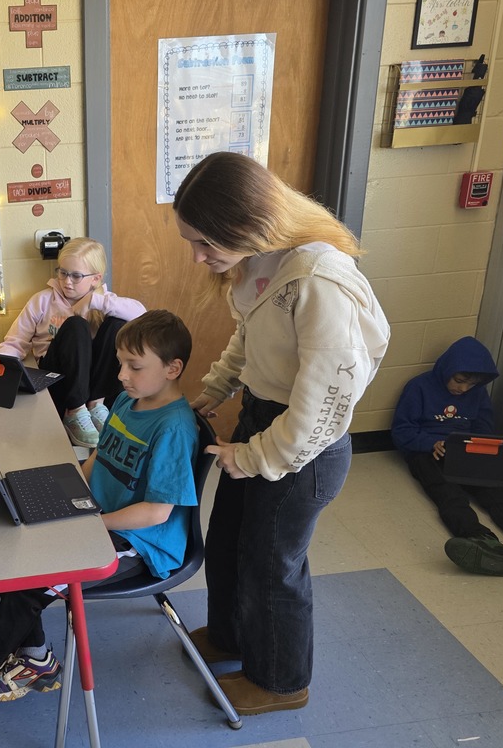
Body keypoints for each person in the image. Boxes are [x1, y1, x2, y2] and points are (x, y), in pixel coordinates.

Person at [173, 152, 390, 716]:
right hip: (260, 417)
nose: (199, 258)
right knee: (227, 541)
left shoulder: (321, 278)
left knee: (273, 564)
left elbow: (326, 401)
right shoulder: (259, 261)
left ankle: (280, 681)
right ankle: (229, 636)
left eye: (204, 242)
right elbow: (249, 336)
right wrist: (217, 388)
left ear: (245, 223)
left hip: (303, 445)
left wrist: (261, 456)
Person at [0, 309, 199, 701]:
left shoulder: (173, 428)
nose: (121, 375)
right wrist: (59, 486)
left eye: (135, 367)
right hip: (98, 514)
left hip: (137, 543)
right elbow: (97, 458)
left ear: (173, 369)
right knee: (15, 549)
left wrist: (94, 523)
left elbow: (157, 512)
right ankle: (36, 657)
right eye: (121, 364)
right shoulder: (126, 402)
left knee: (32, 583)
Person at [391, 336, 503, 578]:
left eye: (470, 385)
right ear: (447, 369)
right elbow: (402, 430)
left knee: (498, 492)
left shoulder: (478, 395)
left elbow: (484, 429)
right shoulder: (418, 387)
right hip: (428, 451)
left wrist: (482, 450)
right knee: (448, 494)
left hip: (467, 450)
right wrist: (431, 442)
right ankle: (479, 540)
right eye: (459, 381)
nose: (463, 389)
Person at [0, 237, 146, 448]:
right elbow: (16, 340)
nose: (67, 281)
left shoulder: (105, 300)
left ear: (96, 278)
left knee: (117, 325)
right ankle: (74, 411)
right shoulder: (43, 300)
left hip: (95, 383)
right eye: (63, 272)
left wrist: (95, 301)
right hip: (58, 377)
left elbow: (142, 314)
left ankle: (96, 405)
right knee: (76, 325)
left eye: (76, 276)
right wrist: (0, 369)